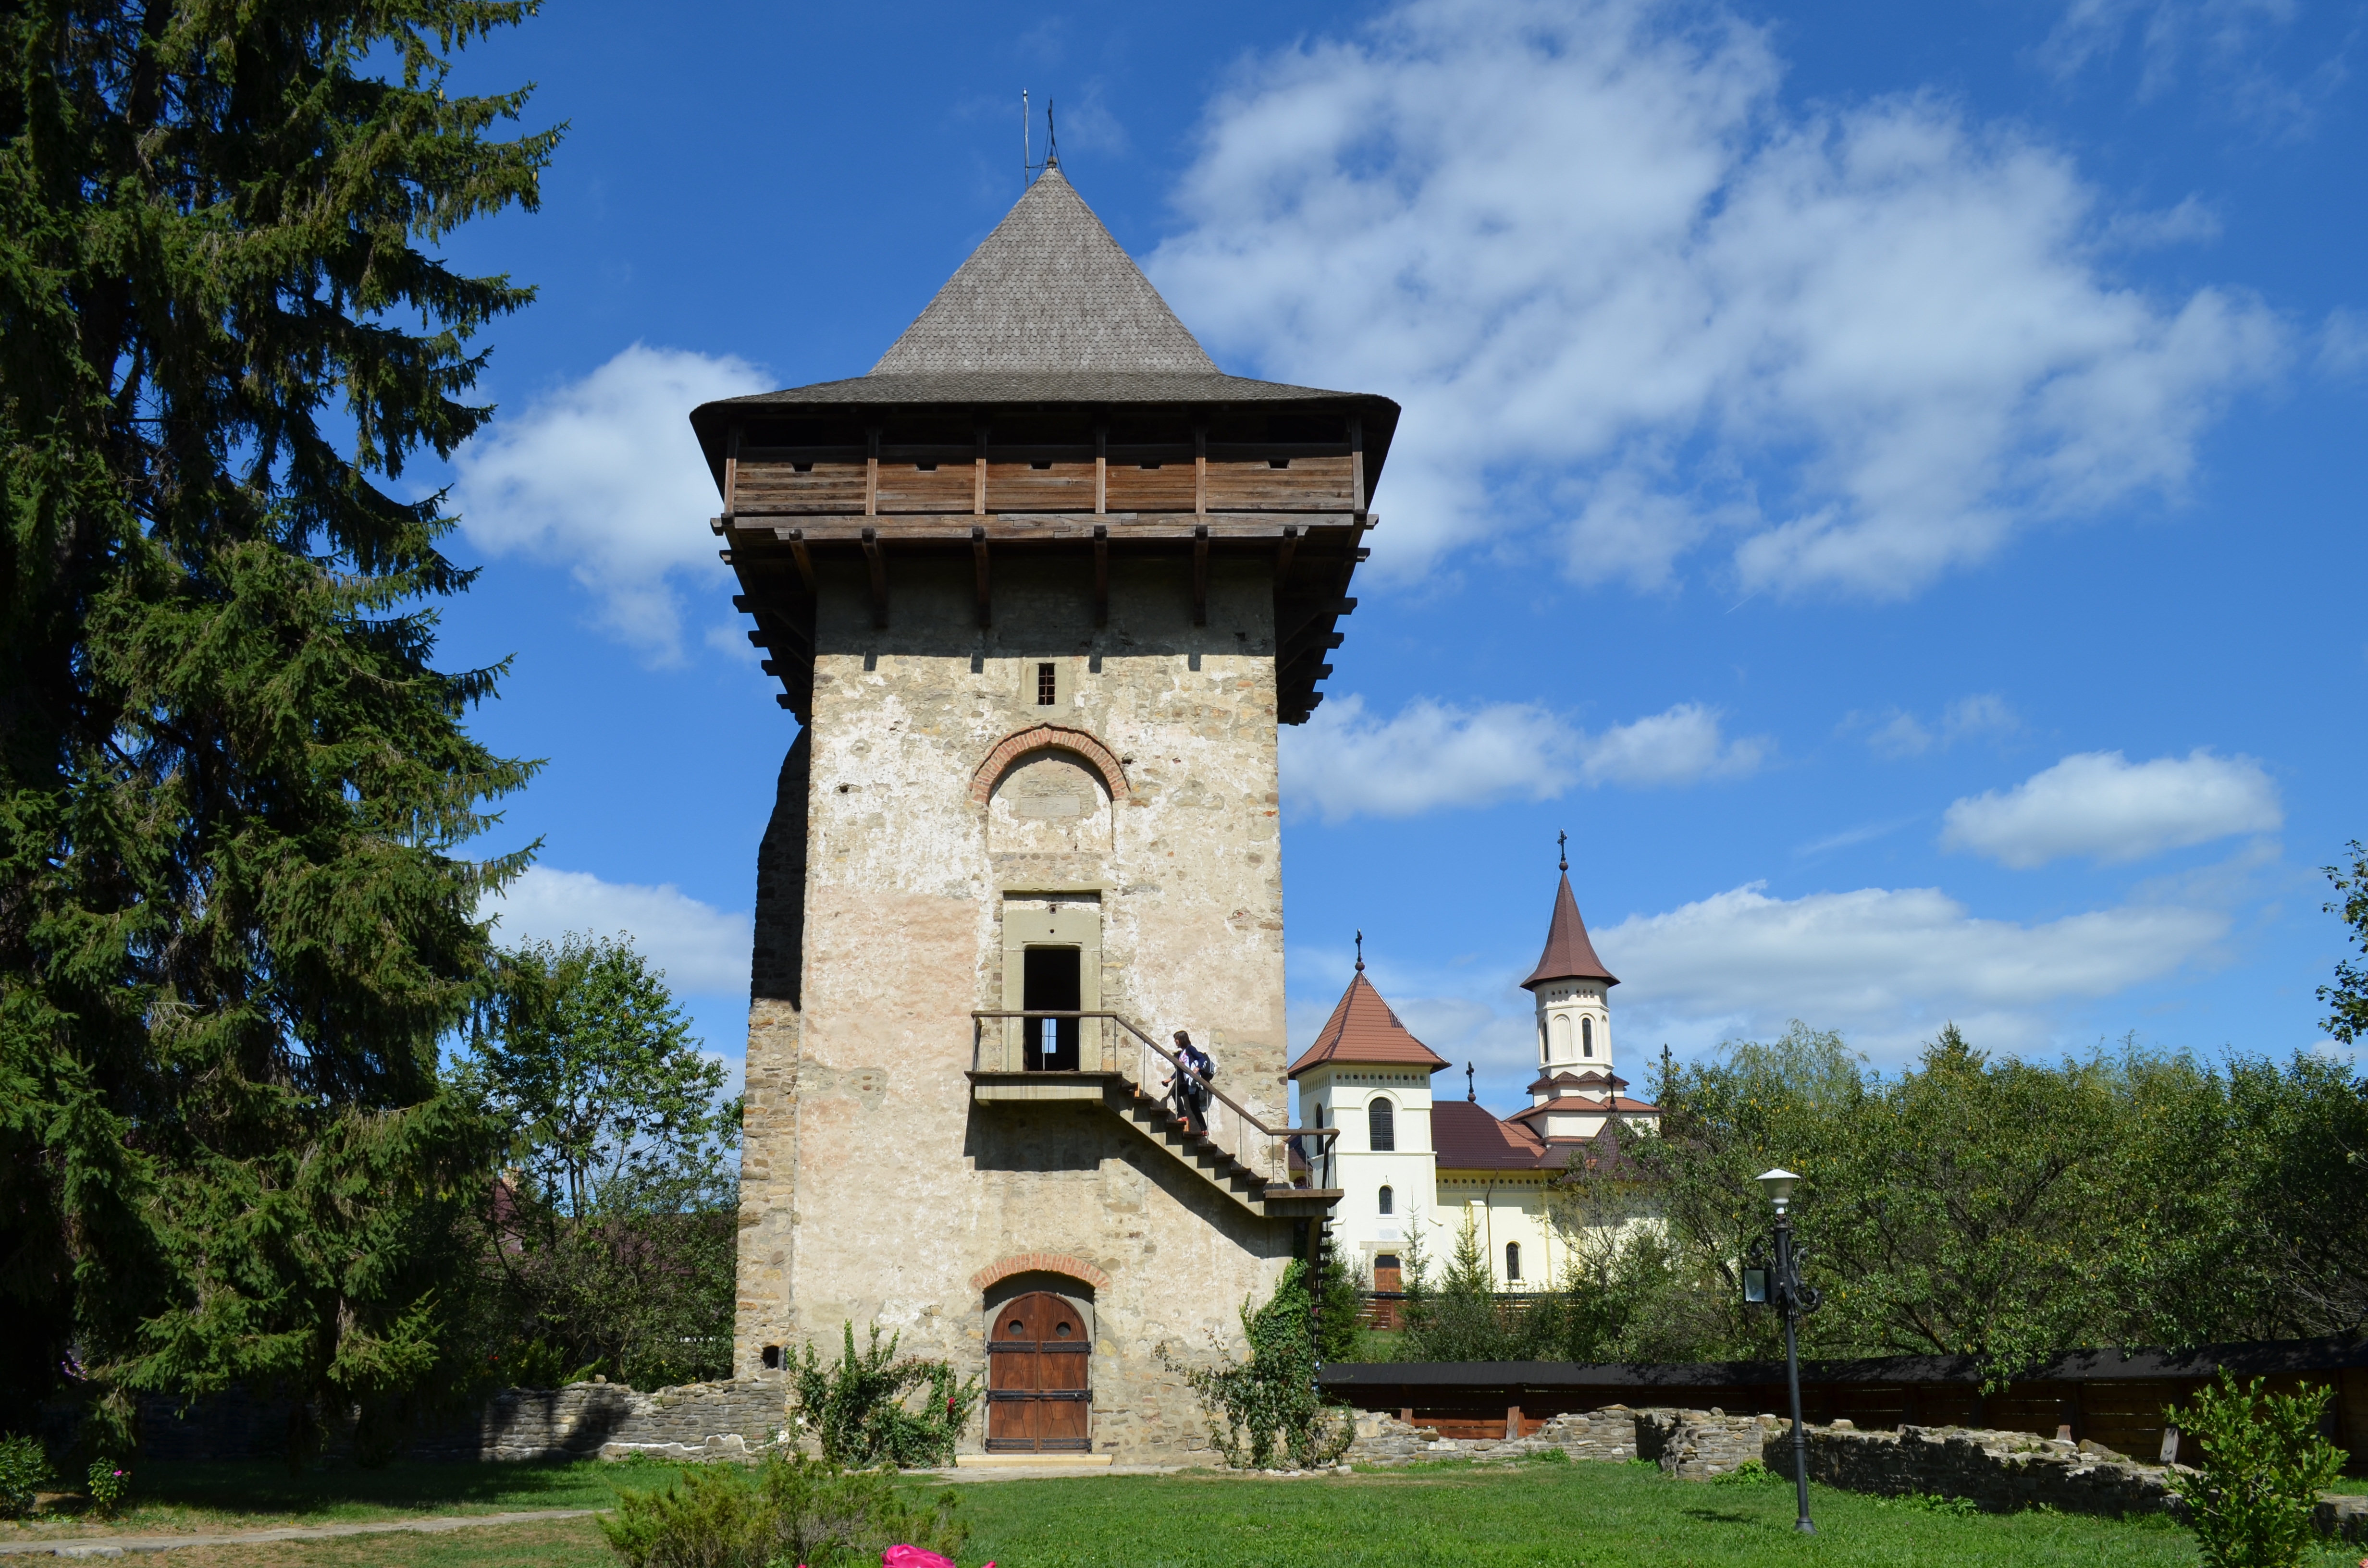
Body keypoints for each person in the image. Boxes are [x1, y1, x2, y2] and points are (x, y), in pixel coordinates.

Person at [1168, 1029, 1215, 1134]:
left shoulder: (1190, 1049)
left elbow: (1201, 1059)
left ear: (1181, 1039)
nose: (1175, 1041)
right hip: (1190, 1082)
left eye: (1176, 1039)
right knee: (1194, 1107)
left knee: (1176, 1093)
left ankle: (1183, 1116)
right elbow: (1179, 1071)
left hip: (1193, 1080)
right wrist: (1169, 1080)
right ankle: (1204, 1129)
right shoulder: (1182, 1054)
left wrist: (1197, 1068)